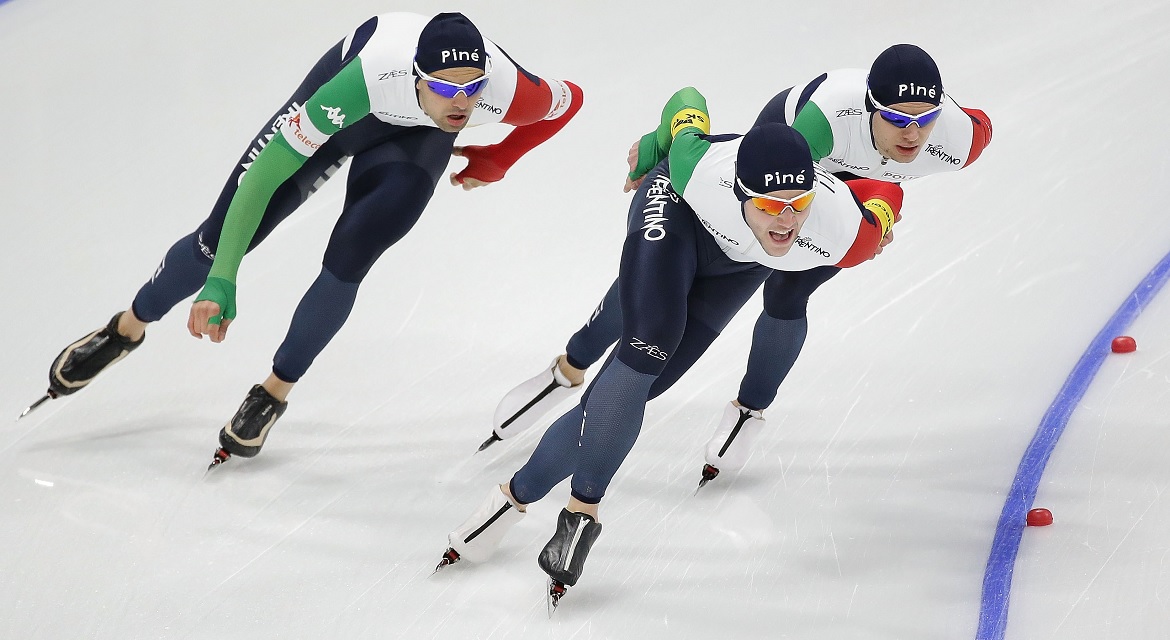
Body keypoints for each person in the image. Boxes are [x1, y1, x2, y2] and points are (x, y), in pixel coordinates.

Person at [27, 12, 583, 468]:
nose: (460, 103)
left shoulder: (508, 92)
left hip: (415, 141)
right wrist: (224, 278)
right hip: (345, 116)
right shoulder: (364, 79)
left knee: (351, 255)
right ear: (417, 76)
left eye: (471, 88)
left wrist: (501, 156)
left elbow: (571, 99)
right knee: (216, 242)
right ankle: (127, 327)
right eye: (443, 87)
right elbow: (264, 175)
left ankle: (272, 392)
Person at [438, 87, 904, 602]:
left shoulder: (839, 230)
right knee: (646, 339)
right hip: (675, 214)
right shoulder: (699, 170)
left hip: (737, 266)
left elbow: (886, 192)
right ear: (741, 192)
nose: (787, 220)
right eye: (771, 204)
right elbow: (688, 100)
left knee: (630, 394)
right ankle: (580, 511)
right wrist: (657, 142)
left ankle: (513, 497)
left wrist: (881, 212)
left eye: (798, 204)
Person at [480, 43, 991, 488]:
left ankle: (749, 410)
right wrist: (660, 148)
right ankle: (572, 364)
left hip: (831, 203)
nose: (912, 134)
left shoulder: (959, 139)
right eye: (898, 120)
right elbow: (752, 177)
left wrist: (881, 210)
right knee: (659, 287)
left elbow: (890, 180)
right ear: (869, 108)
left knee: (788, 294)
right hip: (783, 180)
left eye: (923, 120)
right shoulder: (822, 123)